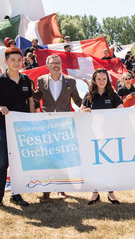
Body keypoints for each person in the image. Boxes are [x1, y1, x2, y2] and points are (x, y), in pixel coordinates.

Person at [0, 47, 35, 211]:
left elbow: (31, 101)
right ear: (6, 62)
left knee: (18, 163)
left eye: (19, 60)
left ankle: (16, 195)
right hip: (2, 127)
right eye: (12, 60)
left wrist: (32, 119)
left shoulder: (26, 80)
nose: (16, 63)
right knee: (2, 164)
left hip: (21, 129)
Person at [32, 54, 82, 203]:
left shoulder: (70, 81)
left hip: (64, 124)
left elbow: (78, 100)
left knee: (62, 156)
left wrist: (87, 107)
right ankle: (46, 191)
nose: (56, 65)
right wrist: (28, 90)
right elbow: (36, 97)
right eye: (53, 63)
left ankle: (61, 188)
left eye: (58, 62)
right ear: (47, 66)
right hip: (47, 124)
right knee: (48, 157)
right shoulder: (41, 81)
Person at [80, 68, 123, 205]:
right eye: (99, 79)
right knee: (94, 164)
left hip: (109, 135)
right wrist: (84, 111)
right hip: (93, 136)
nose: (101, 81)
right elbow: (80, 112)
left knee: (110, 164)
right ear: (94, 80)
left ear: (107, 80)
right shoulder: (89, 95)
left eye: (104, 79)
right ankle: (95, 193)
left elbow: (122, 112)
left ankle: (111, 193)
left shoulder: (113, 95)